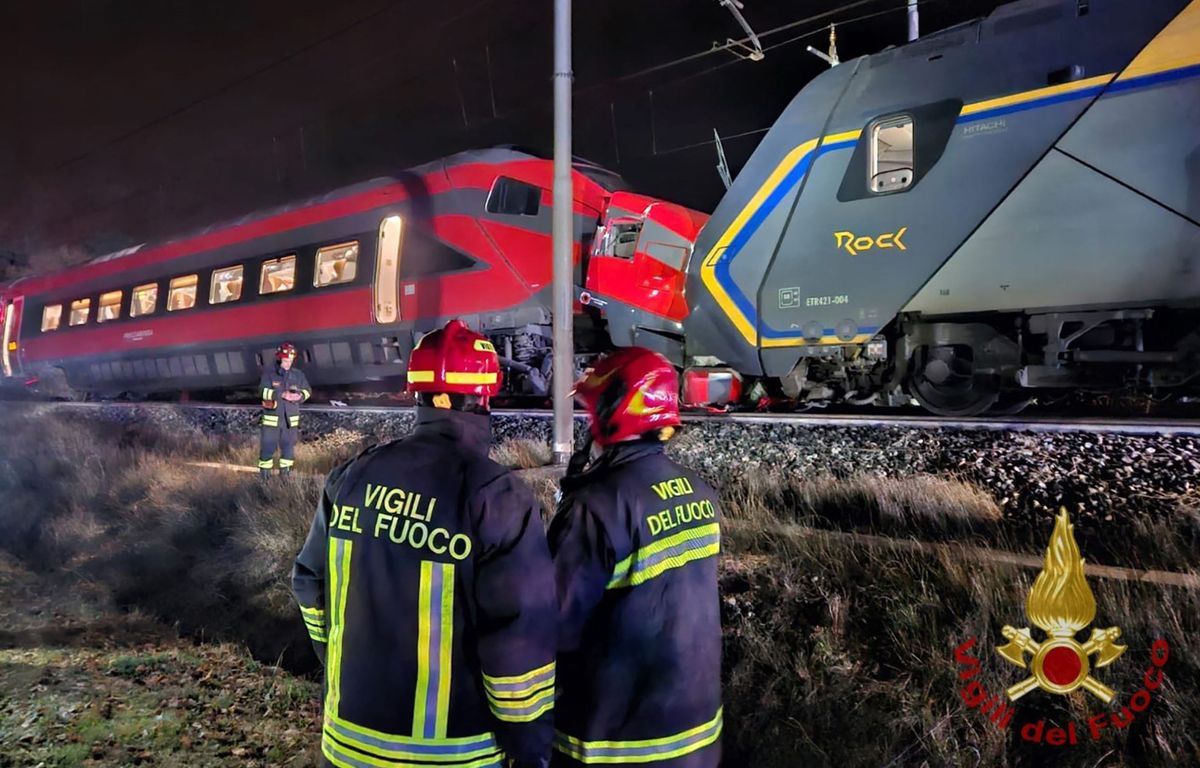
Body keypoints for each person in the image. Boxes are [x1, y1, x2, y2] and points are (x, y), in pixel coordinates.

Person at [291, 318, 558, 768]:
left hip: (347, 743)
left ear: (414, 394)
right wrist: (529, 746)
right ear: (484, 396)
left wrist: (335, 662)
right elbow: (518, 639)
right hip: (454, 753)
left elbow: (309, 584)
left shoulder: (352, 476)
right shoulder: (497, 496)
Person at [548, 347, 724, 768]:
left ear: (611, 411)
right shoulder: (701, 492)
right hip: (698, 738)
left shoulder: (597, 506)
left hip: (619, 745)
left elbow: (551, 624)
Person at [258, 342, 311, 479]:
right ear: (280, 358)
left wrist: (300, 396)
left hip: (290, 422)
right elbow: (263, 392)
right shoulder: (269, 375)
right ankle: (264, 480)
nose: (288, 363)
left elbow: (308, 390)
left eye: (290, 361)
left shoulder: (298, 375)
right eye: (286, 360)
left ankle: (285, 479)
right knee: (267, 451)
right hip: (272, 422)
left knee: (288, 452)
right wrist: (281, 394)